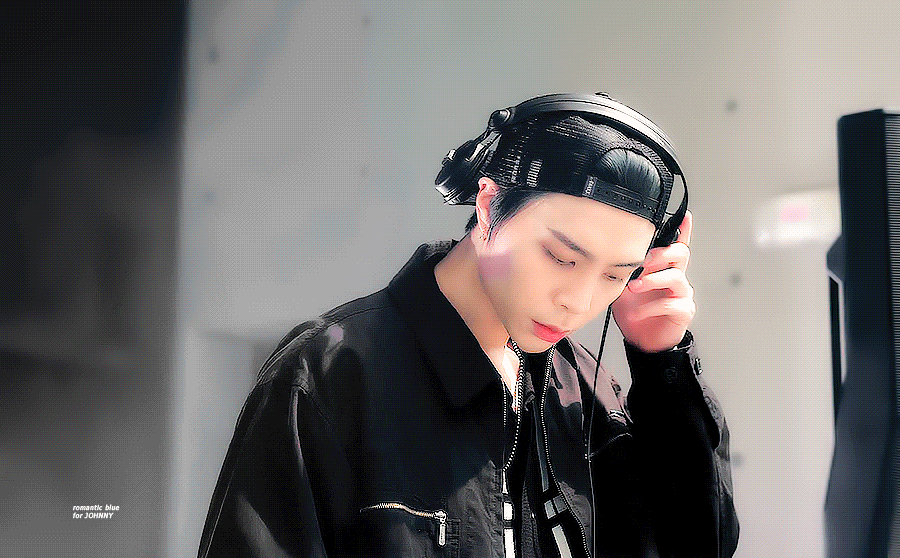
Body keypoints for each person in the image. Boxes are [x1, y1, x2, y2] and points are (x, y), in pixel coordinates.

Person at [198, 93, 739, 557]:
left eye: (615, 275)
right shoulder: (329, 377)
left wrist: (663, 365)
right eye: (561, 257)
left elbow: (696, 545)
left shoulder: (587, 395)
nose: (578, 303)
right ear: (488, 205)